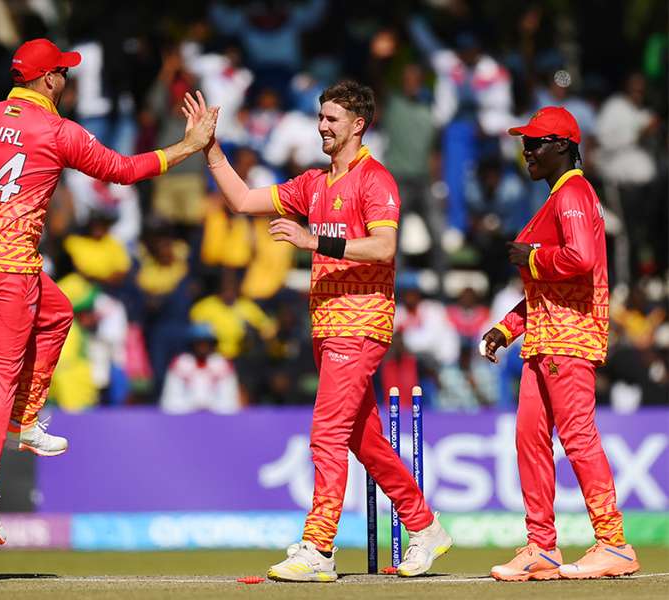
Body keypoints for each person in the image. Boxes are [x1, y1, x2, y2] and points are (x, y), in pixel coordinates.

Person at [0, 38, 217, 546]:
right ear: (48, 81)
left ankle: (24, 419)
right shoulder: (57, 131)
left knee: (58, 311)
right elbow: (125, 171)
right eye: (62, 73)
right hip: (8, 263)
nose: (66, 80)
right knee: (1, 369)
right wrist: (189, 146)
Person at [189, 81, 451, 581]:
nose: (321, 126)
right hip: (326, 328)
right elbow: (244, 200)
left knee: (327, 432)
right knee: (364, 439)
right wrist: (211, 149)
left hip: (361, 324)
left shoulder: (377, 181)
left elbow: (383, 249)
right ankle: (425, 527)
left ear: (359, 124)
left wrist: (314, 240)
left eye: (332, 119)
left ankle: (319, 547)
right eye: (320, 117)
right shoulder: (312, 184)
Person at [481, 107, 640, 581]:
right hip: (544, 340)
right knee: (529, 438)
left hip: (570, 338)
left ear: (564, 146)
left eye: (536, 143)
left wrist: (531, 256)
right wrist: (506, 329)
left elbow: (581, 258)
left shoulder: (573, 191)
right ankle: (541, 547)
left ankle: (613, 543)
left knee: (577, 437)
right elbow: (549, 285)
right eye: (525, 142)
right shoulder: (557, 196)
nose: (526, 151)